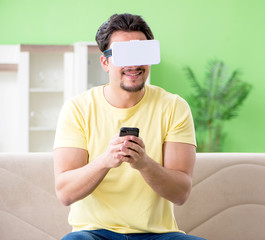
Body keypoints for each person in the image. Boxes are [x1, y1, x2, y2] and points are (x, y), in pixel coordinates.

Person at [53, 13, 206, 240]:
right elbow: (65, 193)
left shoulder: (174, 107)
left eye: (141, 53)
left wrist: (144, 164)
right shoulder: (77, 109)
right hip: (94, 234)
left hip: (158, 235)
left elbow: (181, 193)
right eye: (123, 55)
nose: (133, 64)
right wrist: (105, 161)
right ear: (105, 62)